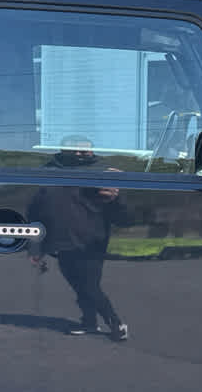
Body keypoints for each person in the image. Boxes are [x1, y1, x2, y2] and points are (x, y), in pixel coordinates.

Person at [28, 137, 128, 339]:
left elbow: (121, 215)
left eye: (85, 151)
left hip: (91, 241)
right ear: (62, 150)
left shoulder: (103, 171)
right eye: (75, 150)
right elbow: (35, 211)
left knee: (89, 286)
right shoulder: (47, 171)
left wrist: (116, 198)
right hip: (61, 241)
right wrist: (35, 248)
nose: (80, 154)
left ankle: (115, 323)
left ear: (93, 151)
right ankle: (89, 322)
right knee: (78, 284)